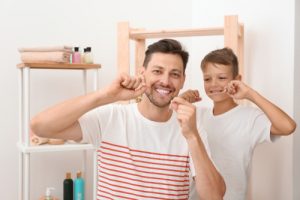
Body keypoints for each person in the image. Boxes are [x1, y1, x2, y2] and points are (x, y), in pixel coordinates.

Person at [31, 39, 225, 200]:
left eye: (174, 74)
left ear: (183, 80)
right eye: (157, 71)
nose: (165, 81)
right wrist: (106, 95)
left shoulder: (191, 129)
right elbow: (40, 126)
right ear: (142, 73)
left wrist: (192, 136)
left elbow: (215, 196)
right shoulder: (111, 117)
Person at [180, 47, 297, 200]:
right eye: (207, 79)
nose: (213, 84)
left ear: (237, 79)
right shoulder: (197, 114)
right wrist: (181, 101)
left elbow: (288, 127)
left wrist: (250, 94)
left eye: (221, 78)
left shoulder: (249, 118)